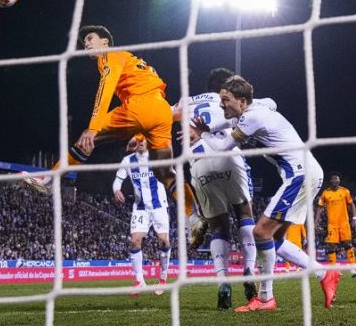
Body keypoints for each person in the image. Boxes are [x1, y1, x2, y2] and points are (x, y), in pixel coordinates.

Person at [189, 75, 340, 311]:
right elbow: (268, 103)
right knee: (275, 239)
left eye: (225, 100)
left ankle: (266, 298)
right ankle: (324, 274)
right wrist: (210, 127)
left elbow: (220, 148)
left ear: (240, 101)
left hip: (299, 175)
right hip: (305, 173)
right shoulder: (259, 106)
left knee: (260, 232)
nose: (221, 105)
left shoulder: (253, 116)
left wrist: (203, 134)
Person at [24, 25, 194, 213]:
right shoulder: (129, 58)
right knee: (165, 173)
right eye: (84, 42)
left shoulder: (109, 55)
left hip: (139, 105)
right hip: (161, 110)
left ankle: (49, 180)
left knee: (86, 140)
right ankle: (195, 217)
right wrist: (138, 136)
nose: (86, 44)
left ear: (104, 42)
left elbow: (105, 88)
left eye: (90, 38)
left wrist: (93, 127)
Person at [173, 68, 259, 309]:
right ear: (226, 87)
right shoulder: (228, 100)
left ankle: (223, 282)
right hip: (228, 155)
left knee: (218, 226)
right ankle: (250, 268)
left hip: (198, 164)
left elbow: (162, 116)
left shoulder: (185, 102)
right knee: (244, 213)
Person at [112, 139, 171, 296]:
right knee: (134, 241)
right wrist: (116, 190)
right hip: (140, 208)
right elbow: (117, 180)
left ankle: (163, 279)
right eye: (136, 140)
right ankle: (139, 281)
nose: (140, 142)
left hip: (159, 206)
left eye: (142, 139)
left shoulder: (157, 156)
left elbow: (172, 175)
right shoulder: (128, 160)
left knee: (164, 241)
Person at [316, 171, 356, 277]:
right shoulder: (326, 193)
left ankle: (352, 268)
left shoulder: (345, 191)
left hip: (344, 223)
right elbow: (320, 207)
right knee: (331, 247)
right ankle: (333, 270)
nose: (334, 180)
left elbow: (351, 204)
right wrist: (316, 221)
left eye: (336, 178)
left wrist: (353, 218)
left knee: (347, 244)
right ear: (330, 181)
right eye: (332, 178)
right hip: (332, 224)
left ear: (339, 180)